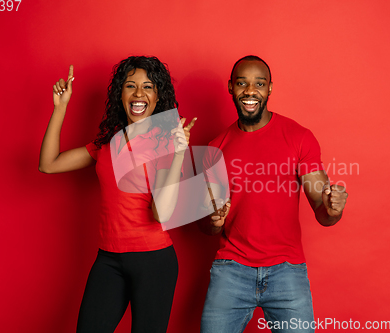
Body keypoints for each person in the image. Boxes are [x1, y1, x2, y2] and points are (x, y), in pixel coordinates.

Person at [39, 56, 196, 333]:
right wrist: (60, 108)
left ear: (158, 96)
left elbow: (163, 214)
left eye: (148, 87)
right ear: (119, 94)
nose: (138, 94)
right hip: (109, 259)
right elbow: (48, 164)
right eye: (130, 86)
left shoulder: (166, 143)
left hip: (153, 261)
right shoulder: (108, 142)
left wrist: (178, 155)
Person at [199, 55, 348, 333]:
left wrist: (332, 208)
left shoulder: (299, 137)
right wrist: (213, 220)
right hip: (231, 269)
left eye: (259, 84)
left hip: (287, 270)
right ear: (231, 87)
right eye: (242, 83)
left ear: (270, 89)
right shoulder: (214, 148)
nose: (250, 91)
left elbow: (323, 212)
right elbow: (206, 226)